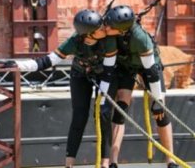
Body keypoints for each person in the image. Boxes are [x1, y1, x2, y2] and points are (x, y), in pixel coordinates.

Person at [10, 9, 118, 168]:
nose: (104, 29)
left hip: (104, 76)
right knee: (79, 117)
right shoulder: (74, 42)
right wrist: (19, 65)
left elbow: (109, 72)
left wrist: (102, 98)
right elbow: (46, 62)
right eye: (99, 28)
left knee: (103, 115)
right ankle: (69, 164)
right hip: (80, 75)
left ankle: (105, 163)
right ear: (88, 35)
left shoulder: (109, 40)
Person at [103, 5, 179, 168]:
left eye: (110, 25)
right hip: (125, 66)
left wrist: (158, 100)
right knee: (120, 109)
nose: (106, 27)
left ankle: (170, 159)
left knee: (159, 112)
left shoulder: (140, 39)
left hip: (149, 66)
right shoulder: (111, 33)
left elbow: (151, 73)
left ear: (122, 29)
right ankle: (113, 161)